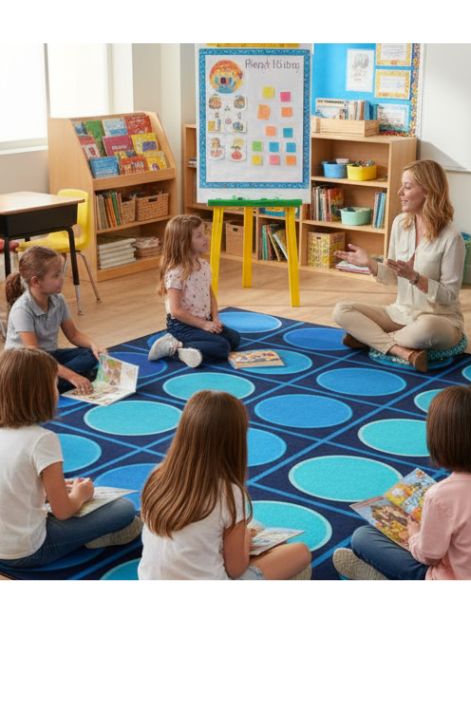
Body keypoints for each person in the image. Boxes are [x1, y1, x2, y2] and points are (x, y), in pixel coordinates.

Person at [332, 385, 471, 580]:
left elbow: (428, 555)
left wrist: (414, 534)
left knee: (363, 537)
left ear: (439, 439)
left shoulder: (440, 495)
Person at [138, 390, 312, 580]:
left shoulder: (157, 474)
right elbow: (235, 569)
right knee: (300, 552)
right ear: (234, 441)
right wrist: (245, 538)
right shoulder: (229, 493)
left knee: (253, 526)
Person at [0, 349, 140, 572]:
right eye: (54, 384)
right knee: (124, 509)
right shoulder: (42, 440)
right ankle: (92, 537)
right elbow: (63, 510)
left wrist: (45, 490)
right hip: (28, 551)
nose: (56, 390)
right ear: (39, 394)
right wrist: (81, 494)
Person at [332, 159, 466, 373]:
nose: (399, 192)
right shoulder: (400, 224)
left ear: (428, 191)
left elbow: (450, 296)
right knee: (341, 310)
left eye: (407, 186)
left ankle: (370, 338)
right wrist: (370, 264)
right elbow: (393, 278)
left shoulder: (452, 238)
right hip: (399, 314)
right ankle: (401, 351)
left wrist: (415, 278)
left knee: (426, 330)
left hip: (438, 319)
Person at [4, 245, 103, 394]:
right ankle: (48, 385)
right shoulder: (22, 310)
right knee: (52, 373)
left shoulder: (58, 300)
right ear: (36, 282)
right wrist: (72, 376)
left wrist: (94, 345)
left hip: (48, 357)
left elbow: (74, 335)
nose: (62, 279)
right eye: (56, 276)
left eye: (61, 274)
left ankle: (53, 383)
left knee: (90, 354)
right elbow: (35, 355)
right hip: (26, 365)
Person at [148, 215, 241, 368]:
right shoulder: (176, 273)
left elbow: (210, 295)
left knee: (234, 339)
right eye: (199, 236)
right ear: (184, 243)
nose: (206, 238)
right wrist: (204, 325)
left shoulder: (203, 265)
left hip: (204, 320)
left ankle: (188, 346)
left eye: (204, 233)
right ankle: (175, 346)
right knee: (222, 347)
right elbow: (176, 311)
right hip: (182, 325)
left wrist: (215, 319)